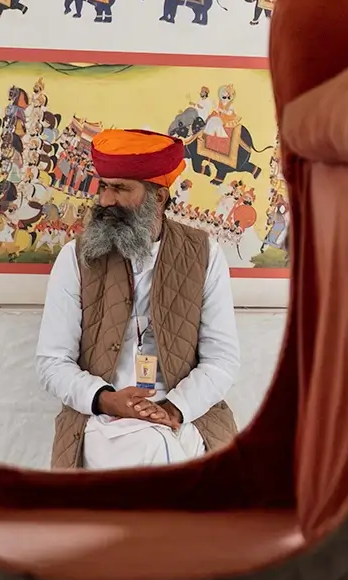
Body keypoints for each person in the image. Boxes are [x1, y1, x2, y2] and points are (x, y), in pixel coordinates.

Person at [34, 127, 242, 469]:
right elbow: (52, 362)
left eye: (120, 188)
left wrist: (172, 409)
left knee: (162, 450)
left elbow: (222, 360)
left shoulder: (205, 254)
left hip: (186, 415)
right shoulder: (76, 258)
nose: (105, 201)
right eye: (104, 186)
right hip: (100, 417)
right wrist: (106, 400)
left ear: (157, 198)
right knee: (150, 455)